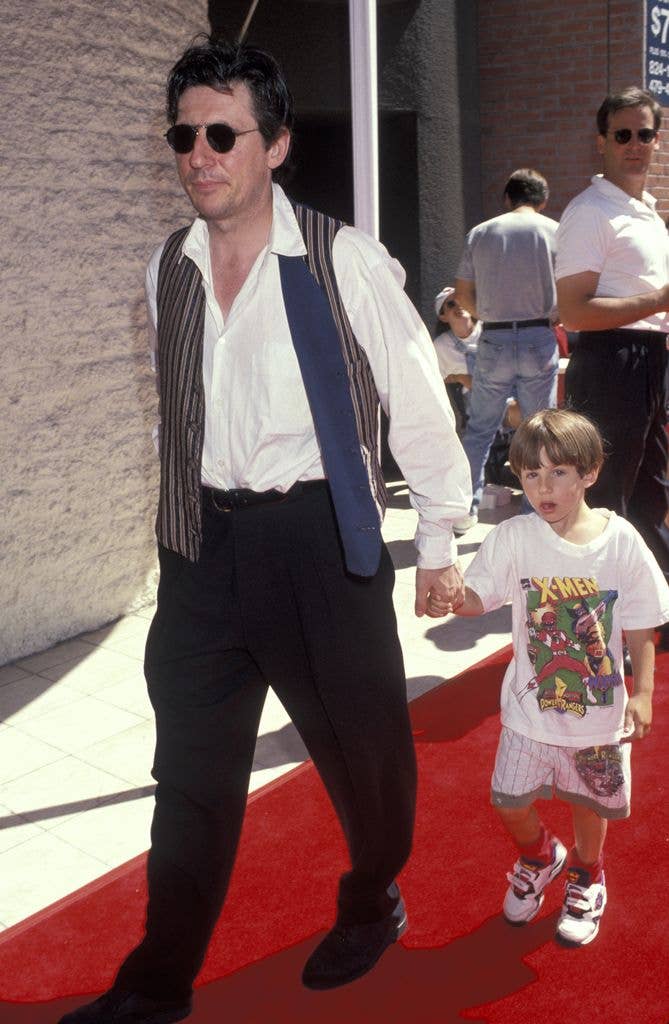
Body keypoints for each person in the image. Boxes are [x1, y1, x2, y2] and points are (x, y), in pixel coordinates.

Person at [59, 37, 471, 1024]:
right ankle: (157, 984)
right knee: (190, 777)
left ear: (275, 145)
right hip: (203, 551)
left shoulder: (345, 262)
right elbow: (180, 403)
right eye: (183, 136)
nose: (198, 154)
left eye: (220, 133)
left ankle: (372, 897)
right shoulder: (169, 267)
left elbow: (419, 407)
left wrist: (443, 544)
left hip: (320, 547)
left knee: (364, 759)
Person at [432, 409, 669, 946]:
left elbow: (641, 621)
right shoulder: (515, 536)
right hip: (528, 712)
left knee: (590, 805)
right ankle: (541, 856)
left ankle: (588, 874)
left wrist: (647, 693)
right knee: (508, 801)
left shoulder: (621, 541)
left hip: (598, 717)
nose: (543, 487)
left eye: (558, 472)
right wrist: (453, 598)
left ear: (589, 472)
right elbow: (480, 597)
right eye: (530, 474)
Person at [555, 86, 669, 599]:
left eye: (645, 133)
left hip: (648, 360)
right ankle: (598, 620)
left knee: (651, 492)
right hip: (609, 363)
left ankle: (650, 613)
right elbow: (574, 310)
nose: (635, 144)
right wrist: (661, 300)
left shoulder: (646, 209)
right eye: (622, 134)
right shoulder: (591, 211)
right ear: (601, 141)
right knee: (606, 497)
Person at [453, 168, 559, 534]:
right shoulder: (555, 232)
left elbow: (462, 294)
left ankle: (465, 507)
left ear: (507, 197)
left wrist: (489, 314)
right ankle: (535, 511)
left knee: (480, 428)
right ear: (542, 201)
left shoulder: (482, 232)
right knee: (540, 431)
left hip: (495, 338)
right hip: (537, 334)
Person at [432, 285, 481, 430]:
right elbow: (435, 381)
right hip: (474, 416)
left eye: (461, 300)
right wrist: (458, 378)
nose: (458, 306)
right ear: (443, 316)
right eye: (451, 304)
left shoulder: (490, 330)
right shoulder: (440, 346)